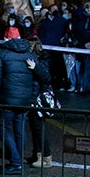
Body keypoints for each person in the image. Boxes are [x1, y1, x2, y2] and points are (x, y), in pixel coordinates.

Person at [0, 34, 49, 174]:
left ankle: (15, 161)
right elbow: (36, 80)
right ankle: (18, 158)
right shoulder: (29, 54)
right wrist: (31, 97)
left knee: (3, 128)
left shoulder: (1, 54)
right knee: (19, 129)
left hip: (6, 99)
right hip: (24, 100)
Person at [26, 38, 54, 168]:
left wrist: (35, 67)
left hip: (39, 99)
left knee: (40, 128)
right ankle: (37, 155)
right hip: (33, 97)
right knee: (35, 128)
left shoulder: (42, 59)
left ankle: (47, 158)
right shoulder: (36, 58)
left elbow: (46, 76)